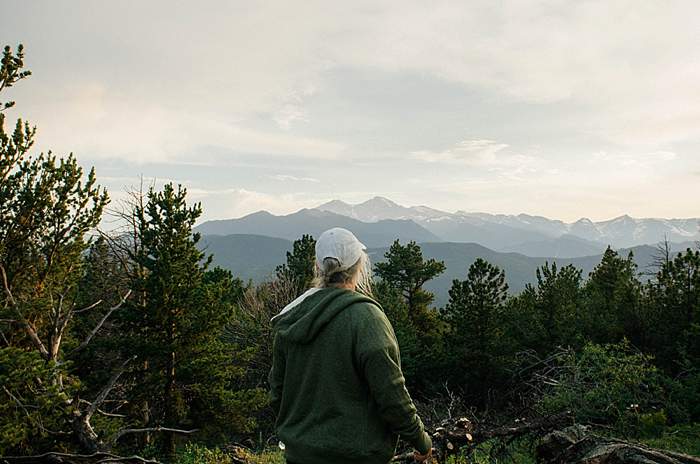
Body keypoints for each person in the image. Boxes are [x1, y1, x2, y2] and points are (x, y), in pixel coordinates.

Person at [269, 227, 433, 464]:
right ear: (359, 266)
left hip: (300, 456)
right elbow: (391, 395)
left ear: (317, 266)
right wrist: (420, 440)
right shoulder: (367, 319)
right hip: (356, 456)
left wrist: (300, 434)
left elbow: (277, 393)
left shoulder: (292, 318)